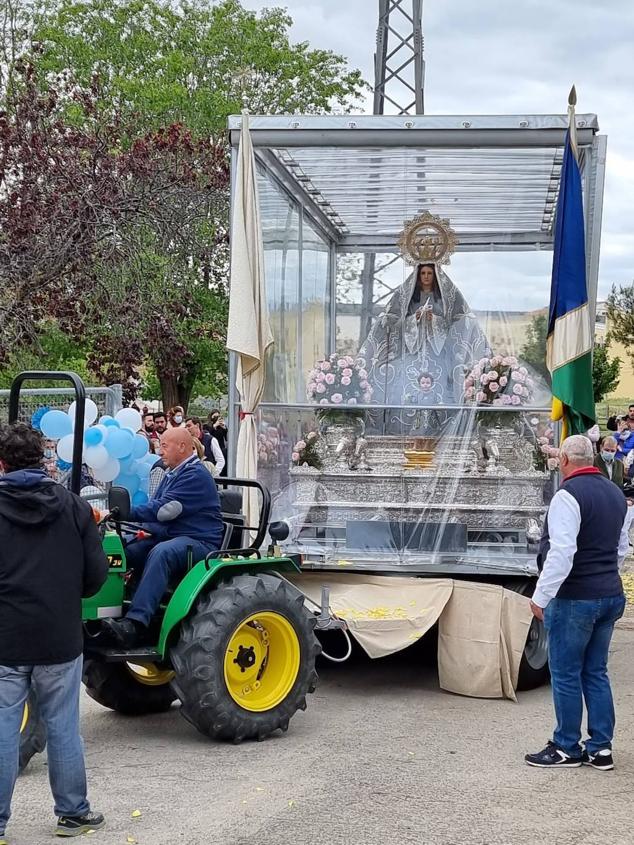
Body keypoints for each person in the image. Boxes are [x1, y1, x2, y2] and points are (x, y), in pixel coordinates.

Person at [0, 423, 108, 840]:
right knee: (64, 727)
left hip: (6, 637)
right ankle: (73, 814)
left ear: (2, 464)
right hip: (59, 635)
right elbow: (96, 577)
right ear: (44, 461)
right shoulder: (74, 507)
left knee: (3, 730)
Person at [525, 435, 629, 770]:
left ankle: (567, 745)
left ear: (565, 460)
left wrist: (541, 595)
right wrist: (605, 575)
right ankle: (601, 748)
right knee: (595, 671)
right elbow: (622, 547)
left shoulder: (567, 495)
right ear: (594, 456)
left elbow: (562, 552)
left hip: (575, 597)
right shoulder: (615, 493)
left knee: (566, 672)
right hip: (609, 592)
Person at [102, 427, 223, 647]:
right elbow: (158, 510)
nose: (159, 451)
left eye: (164, 446)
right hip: (171, 534)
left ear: (182, 447)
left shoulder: (195, 475)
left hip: (199, 541)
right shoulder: (173, 473)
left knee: (162, 553)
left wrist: (123, 512)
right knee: (124, 549)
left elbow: (164, 510)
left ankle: (136, 624)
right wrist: (138, 530)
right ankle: (110, 609)